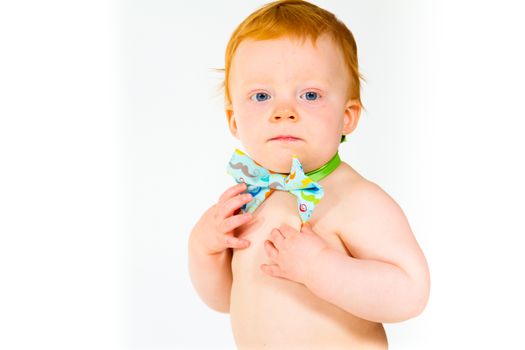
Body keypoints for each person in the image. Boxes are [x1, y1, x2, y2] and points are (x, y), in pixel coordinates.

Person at [188, 1, 430, 348]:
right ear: (234, 121)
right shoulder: (250, 201)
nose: (283, 111)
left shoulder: (354, 198)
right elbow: (224, 300)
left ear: (347, 116)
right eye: (261, 95)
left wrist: (321, 267)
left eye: (310, 95)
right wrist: (205, 249)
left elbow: (411, 292)